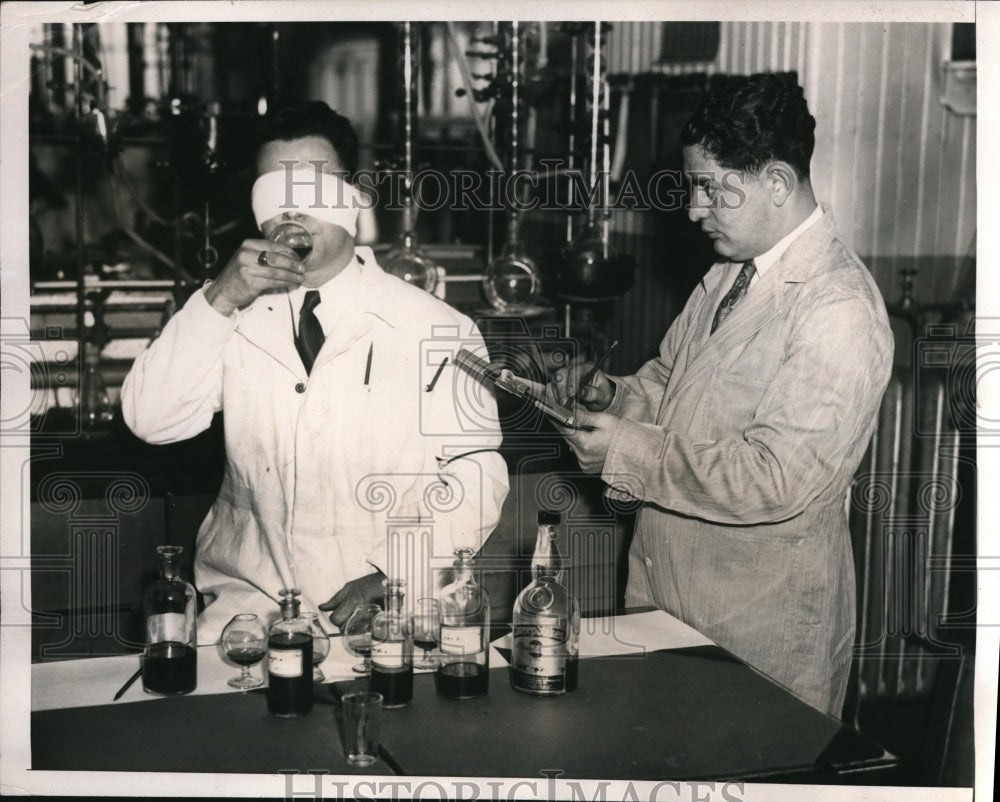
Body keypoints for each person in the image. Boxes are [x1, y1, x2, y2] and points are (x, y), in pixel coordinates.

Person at [549, 73, 893, 716]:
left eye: (711, 189)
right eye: (693, 186)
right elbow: (669, 383)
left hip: (757, 634)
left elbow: (775, 479)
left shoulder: (837, 308)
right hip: (664, 601)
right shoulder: (729, 273)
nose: (693, 209)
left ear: (779, 183)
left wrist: (626, 450)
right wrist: (611, 397)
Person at [121, 102, 509, 643]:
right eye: (273, 190)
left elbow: (474, 476)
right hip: (246, 618)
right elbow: (151, 419)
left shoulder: (434, 326)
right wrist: (222, 296)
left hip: (386, 616)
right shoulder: (225, 313)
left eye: (313, 187)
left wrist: (392, 572)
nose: (292, 212)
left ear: (354, 195)